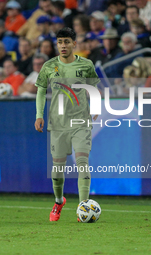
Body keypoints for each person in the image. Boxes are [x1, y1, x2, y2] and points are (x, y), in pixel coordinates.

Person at [34, 27, 100, 222]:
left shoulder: (86, 64)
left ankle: (83, 207)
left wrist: (95, 105)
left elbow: (94, 87)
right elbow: (40, 91)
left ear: (74, 44)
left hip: (80, 121)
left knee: (82, 163)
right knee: (57, 172)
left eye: (66, 42)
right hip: (58, 123)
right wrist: (39, 115)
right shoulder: (49, 66)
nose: (63, 46)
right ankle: (58, 200)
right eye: (60, 42)